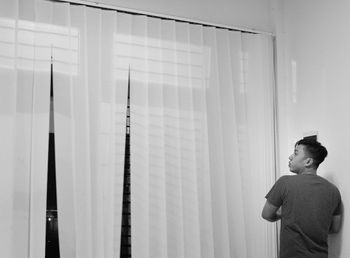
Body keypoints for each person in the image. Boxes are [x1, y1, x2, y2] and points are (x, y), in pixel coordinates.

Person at [262, 138, 342, 258]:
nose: (290, 157)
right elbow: (335, 228)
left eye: (295, 153)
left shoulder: (285, 183)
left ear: (308, 162)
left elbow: (266, 214)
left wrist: (283, 213)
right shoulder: (333, 190)